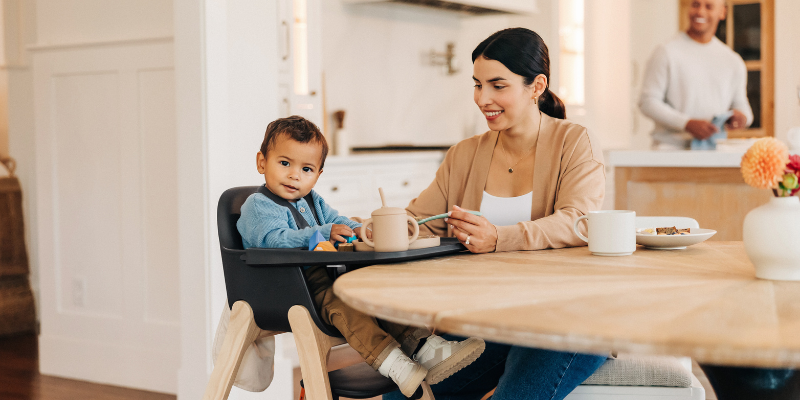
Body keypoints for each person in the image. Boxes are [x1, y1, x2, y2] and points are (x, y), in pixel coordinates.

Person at [384, 28, 608, 400]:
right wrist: (377, 230)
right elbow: (420, 222)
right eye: (477, 85)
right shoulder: (464, 154)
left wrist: (499, 238)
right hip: (491, 319)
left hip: (569, 318)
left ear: (536, 86)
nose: (482, 98)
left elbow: (578, 221)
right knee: (400, 397)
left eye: (498, 86)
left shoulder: (574, 141)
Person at [236, 116, 485, 397]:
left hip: (322, 278)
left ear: (318, 174)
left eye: (306, 168)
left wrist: (365, 230)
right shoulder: (258, 205)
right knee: (346, 305)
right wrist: (322, 234)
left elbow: (339, 220)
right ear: (261, 162)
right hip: (287, 288)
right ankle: (393, 362)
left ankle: (425, 347)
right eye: (285, 163)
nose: (295, 175)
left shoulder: (312, 200)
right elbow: (272, 241)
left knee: (371, 292)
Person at [639, 0, 753, 149]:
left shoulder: (733, 61)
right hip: (669, 152)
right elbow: (648, 102)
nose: (700, 11)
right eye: (695, 4)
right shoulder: (666, 52)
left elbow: (742, 105)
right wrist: (687, 123)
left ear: (722, 12)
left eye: (708, 6)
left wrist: (742, 117)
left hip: (715, 152)